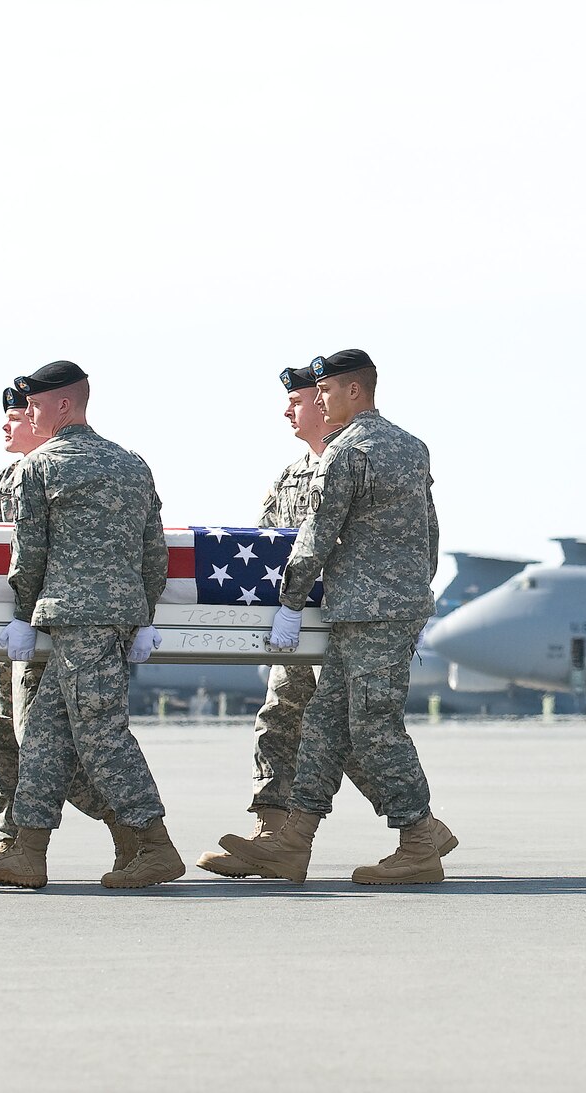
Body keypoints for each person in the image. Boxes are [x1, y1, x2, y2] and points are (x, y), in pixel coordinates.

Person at [219, 349, 457, 885]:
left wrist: (290, 601)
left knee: (374, 725)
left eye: (325, 391)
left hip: (369, 612)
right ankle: (292, 843)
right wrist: (417, 589)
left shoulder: (346, 451)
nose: (319, 400)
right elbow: (429, 531)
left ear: (354, 391)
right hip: (385, 609)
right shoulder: (411, 446)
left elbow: (317, 534)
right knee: (325, 727)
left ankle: (420, 841)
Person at [0, 360, 185, 890]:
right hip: (113, 617)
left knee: (102, 737)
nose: (29, 413)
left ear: (63, 404)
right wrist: (143, 615)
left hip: (74, 616)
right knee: (42, 736)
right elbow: (155, 549)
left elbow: (28, 551)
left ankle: (155, 845)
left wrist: (18, 615)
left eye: (35, 404)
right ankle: (27, 852)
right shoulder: (131, 464)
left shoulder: (43, 466)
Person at [198, 365, 381, 879]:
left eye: (298, 401)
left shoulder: (365, 464)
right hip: (296, 625)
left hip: (348, 620)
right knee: (279, 718)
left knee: (351, 733)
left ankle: (419, 824)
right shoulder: (291, 476)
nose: (289, 410)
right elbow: (264, 549)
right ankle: (271, 836)